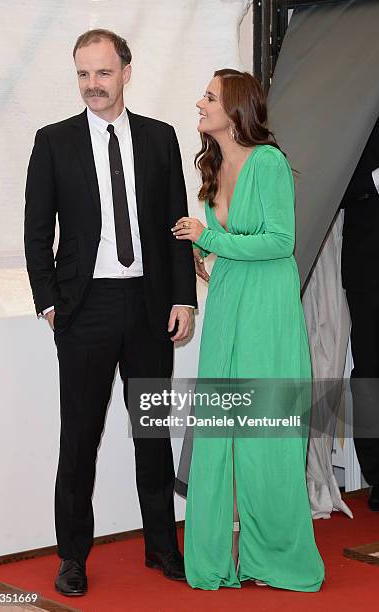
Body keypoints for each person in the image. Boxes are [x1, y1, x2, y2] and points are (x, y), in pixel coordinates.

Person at [24, 28, 197, 596]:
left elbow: (176, 225)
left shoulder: (160, 138)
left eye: (102, 72)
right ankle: (72, 557)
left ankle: (161, 548)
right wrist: (51, 303)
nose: (92, 85)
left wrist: (182, 298)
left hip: (149, 306)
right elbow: (35, 234)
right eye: (82, 74)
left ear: (126, 70)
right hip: (85, 309)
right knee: (80, 437)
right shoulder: (52, 142)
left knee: (151, 432)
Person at [172, 69, 324, 591]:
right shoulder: (214, 167)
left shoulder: (269, 162)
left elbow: (280, 242)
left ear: (235, 108)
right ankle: (212, 560)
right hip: (229, 305)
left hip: (267, 314)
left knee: (266, 442)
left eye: (209, 97)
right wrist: (204, 249)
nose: (200, 103)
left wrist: (211, 235)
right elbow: (236, 242)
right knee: (216, 435)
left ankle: (276, 560)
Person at [341, 117, 379, 512]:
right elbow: (328, 183)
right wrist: (375, 182)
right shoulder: (358, 111)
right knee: (369, 375)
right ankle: (377, 475)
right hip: (368, 270)